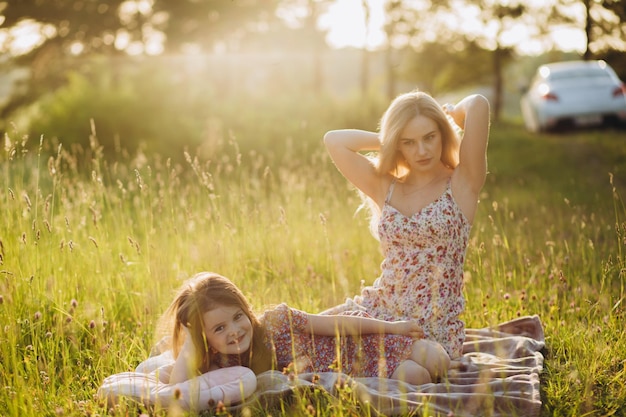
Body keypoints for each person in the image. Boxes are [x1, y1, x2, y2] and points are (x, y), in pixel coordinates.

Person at [321, 91, 490, 363]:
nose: (421, 151)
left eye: (429, 137)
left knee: (427, 365)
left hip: (431, 331)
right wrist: (390, 141)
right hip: (378, 313)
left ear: (443, 134)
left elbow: (479, 104)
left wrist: (456, 114)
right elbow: (335, 141)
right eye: (409, 142)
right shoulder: (385, 186)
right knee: (290, 334)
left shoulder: (462, 182)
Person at [161, 272, 446, 386]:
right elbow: (176, 391)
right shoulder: (220, 364)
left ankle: (437, 349)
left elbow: (336, 324)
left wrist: (391, 328)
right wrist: (191, 342)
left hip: (361, 347)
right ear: (204, 336)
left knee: (438, 362)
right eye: (219, 328)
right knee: (418, 377)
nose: (234, 331)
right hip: (357, 374)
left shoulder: (275, 321)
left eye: (238, 317)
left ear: (246, 309)